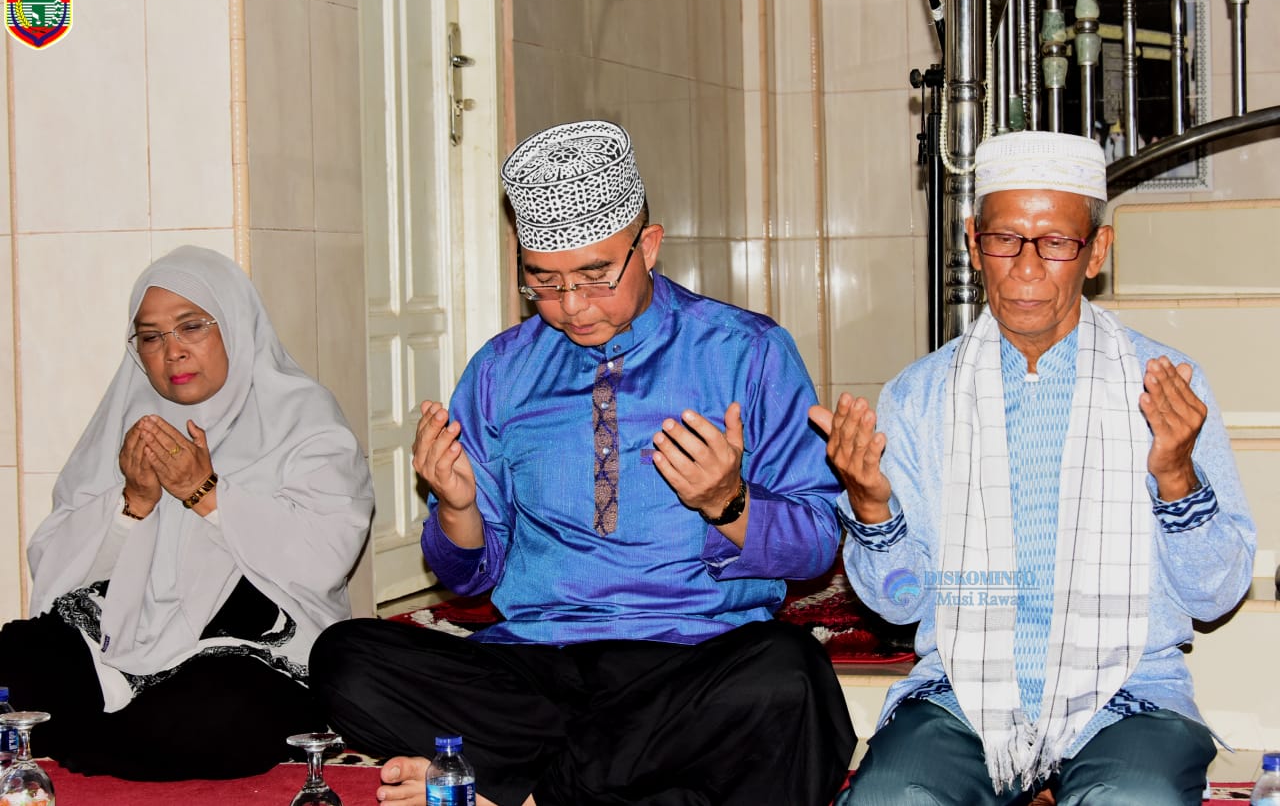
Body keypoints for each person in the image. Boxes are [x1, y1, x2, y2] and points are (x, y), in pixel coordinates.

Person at [311, 120, 855, 806]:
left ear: (648, 248)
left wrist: (730, 503)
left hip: (690, 662)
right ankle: (613, 785)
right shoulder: (500, 372)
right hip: (535, 667)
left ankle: (520, 792)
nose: (570, 306)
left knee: (789, 676)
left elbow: (817, 545)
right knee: (345, 659)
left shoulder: (749, 353)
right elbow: (464, 578)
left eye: (596, 277)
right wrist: (456, 509)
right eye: (543, 281)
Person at [811, 130, 1255, 806]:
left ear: (1096, 251)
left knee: (1131, 798)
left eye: (1054, 242)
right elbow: (900, 603)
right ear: (972, 241)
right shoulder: (919, 397)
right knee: (891, 798)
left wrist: (1176, 476)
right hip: (966, 694)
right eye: (1005, 238)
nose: (1025, 266)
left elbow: (1216, 595)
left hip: (1129, 694)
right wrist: (873, 505)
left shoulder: (1165, 386)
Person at [1, 246, 374, 780]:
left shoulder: (303, 419)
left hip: (248, 646)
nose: (171, 352)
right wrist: (134, 503)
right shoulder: (130, 418)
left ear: (236, 327)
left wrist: (205, 493)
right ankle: (112, 737)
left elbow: (326, 556)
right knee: (16, 655)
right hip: (125, 637)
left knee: (222, 713)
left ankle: (79, 740)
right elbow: (57, 567)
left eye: (191, 327)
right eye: (151, 337)